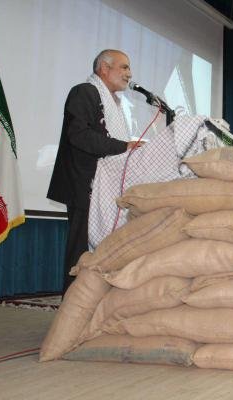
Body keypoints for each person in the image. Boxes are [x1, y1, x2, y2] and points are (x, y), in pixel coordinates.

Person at [47, 49, 142, 293]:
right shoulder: (84, 92)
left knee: (105, 249)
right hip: (84, 185)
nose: (129, 74)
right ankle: (73, 303)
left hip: (104, 187)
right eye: (124, 67)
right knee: (80, 250)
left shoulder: (115, 104)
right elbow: (79, 135)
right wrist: (124, 146)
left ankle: (97, 303)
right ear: (104, 68)